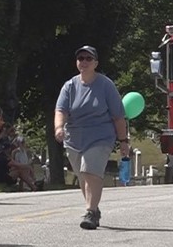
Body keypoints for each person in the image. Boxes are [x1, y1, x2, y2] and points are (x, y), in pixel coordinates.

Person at [54, 45, 129, 230]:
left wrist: (123, 141)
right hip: (74, 139)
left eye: (88, 58)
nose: (84, 62)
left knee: (90, 172)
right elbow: (61, 110)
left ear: (95, 63)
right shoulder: (69, 86)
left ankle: (90, 211)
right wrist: (59, 127)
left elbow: (118, 116)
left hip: (100, 137)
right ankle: (93, 209)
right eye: (81, 58)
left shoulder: (106, 85)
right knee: (82, 176)